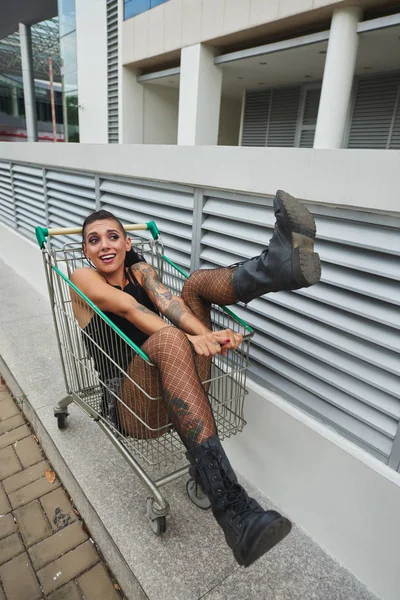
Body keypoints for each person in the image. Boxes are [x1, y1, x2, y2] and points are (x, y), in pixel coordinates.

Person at [70, 189, 321, 569]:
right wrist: (191, 338)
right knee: (167, 337)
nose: (104, 245)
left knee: (197, 284)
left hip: (178, 384)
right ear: (86, 251)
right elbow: (130, 308)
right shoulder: (82, 278)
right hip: (132, 406)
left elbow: (168, 301)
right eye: (93, 240)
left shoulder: (141, 269)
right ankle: (233, 508)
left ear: (127, 242)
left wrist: (204, 336)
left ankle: (277, 265)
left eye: (112, 236)